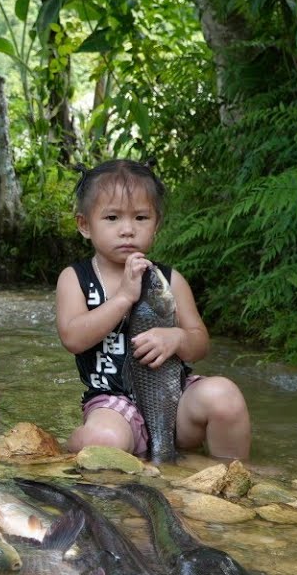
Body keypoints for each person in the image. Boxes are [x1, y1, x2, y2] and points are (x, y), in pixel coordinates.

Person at [55, 159, 251, 462]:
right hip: (115, 403)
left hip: (173, 399)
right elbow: (73, 337)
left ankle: (233, 478)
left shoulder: (168, 280)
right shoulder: (75, 278)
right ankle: (69, 453)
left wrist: (177, 339)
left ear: (156, 225)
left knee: (225, 396)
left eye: (141, 218)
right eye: (112, 218)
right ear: (85, 225)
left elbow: (200, 342)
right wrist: (122, 298)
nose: (128, 230)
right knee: (100, 440)